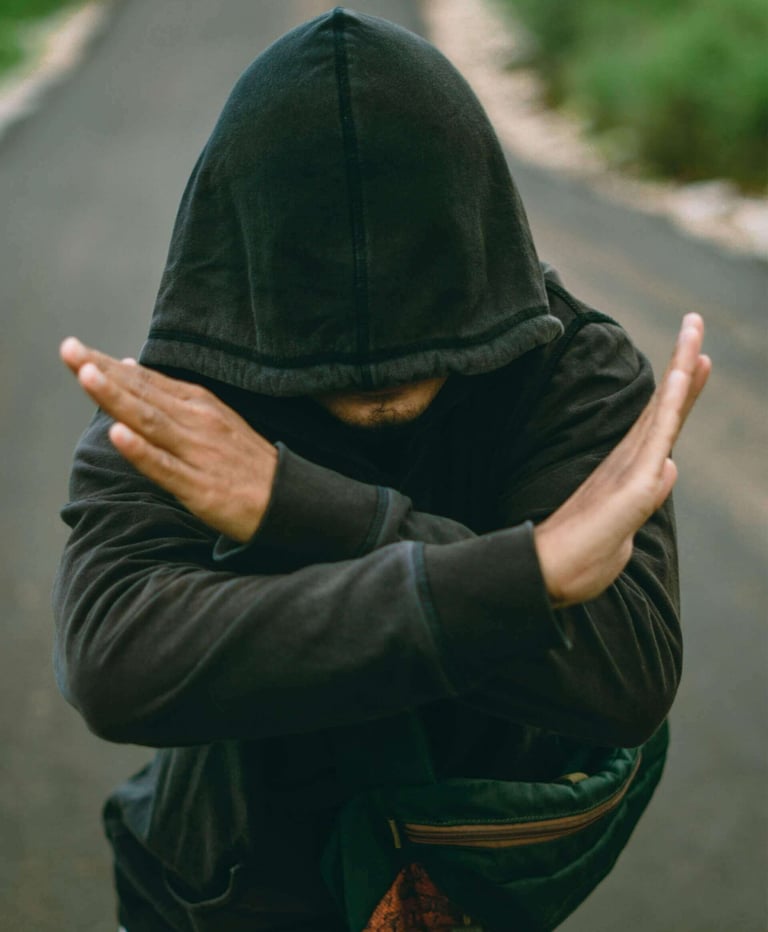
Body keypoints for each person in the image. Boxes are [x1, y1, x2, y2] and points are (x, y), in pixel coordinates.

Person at [54, 9, 710, 931]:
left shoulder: (572, 366)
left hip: (470, 883)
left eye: (422, 342)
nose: (381, 382)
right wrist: (527, 577)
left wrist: (305, 509)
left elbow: (625, 677)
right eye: (331, 362)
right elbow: (118, 658)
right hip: (219, 894)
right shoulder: (183, 396)